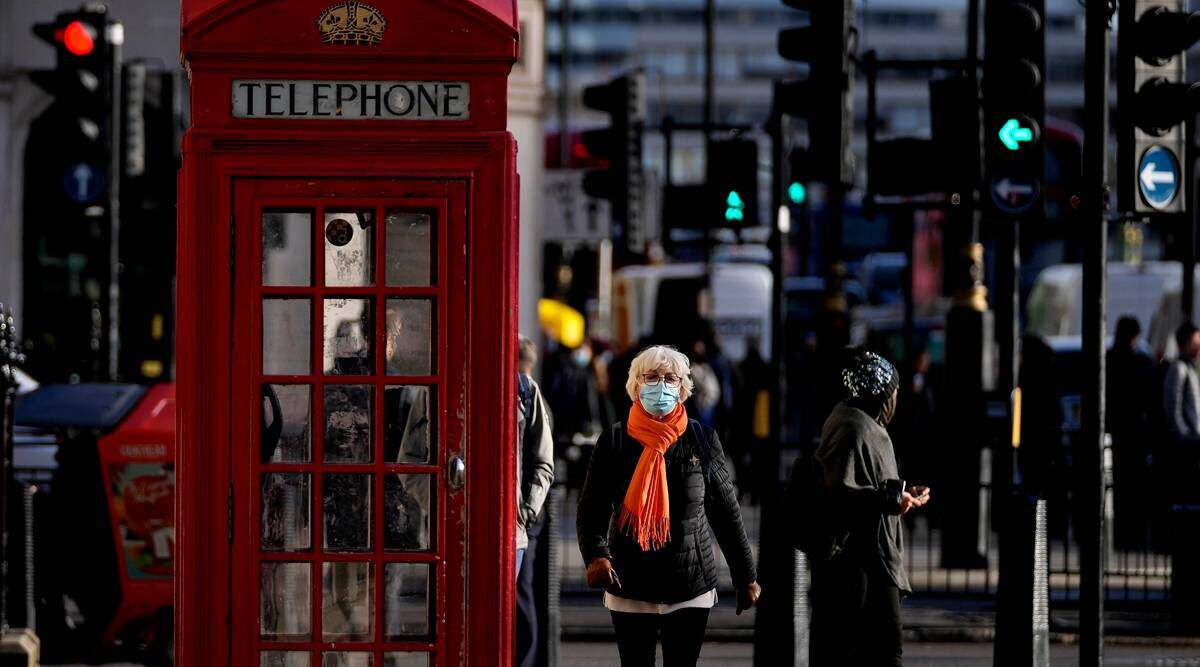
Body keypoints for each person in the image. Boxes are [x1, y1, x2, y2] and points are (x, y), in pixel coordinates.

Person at [577, 345, 760, 667]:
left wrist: (746, 577)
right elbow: (592, 507)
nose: (660, 385)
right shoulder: (615, 440)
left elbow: (726, 512)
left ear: (683, 387)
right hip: (630, 582)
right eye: (651, 377)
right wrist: (596, 554)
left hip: (689, 584)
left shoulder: (702, 440)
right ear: (636, 384)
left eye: (670, 378)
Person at [809, 349, 930, 666]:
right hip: (862, 560)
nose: (896, 398)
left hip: (869, 555)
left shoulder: (862, 423)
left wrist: (902, 492)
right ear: (879, 392)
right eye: (893, 391)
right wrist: (891, 499)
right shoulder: (855, 428)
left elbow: (868, 480)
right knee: (886, 650)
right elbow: (841, 491)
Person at [515, 335, 554, 667]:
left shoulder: (526, 391)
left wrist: (526, 510)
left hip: (518, 521)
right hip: (470, 523)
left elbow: (544, 461)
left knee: (520, 598)